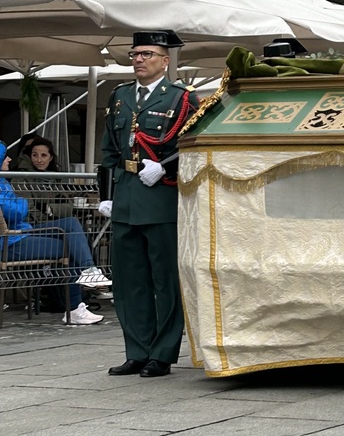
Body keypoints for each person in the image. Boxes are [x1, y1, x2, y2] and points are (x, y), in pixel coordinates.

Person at [100, 30, 198, 378]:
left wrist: (164, 167)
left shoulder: (183, 98)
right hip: (127, 196)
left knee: (164, 280)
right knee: (129, 281)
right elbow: (108, 153)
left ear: (164, 60)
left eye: (146, 54)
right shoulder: (119, 96)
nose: (138, 60)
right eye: (134, 54)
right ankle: (137, 351)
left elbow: (193, 145)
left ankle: (163, 352)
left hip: (161, 197)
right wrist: (106, 197)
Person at [0, 141, 104, 325]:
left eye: (44, 155)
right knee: (71, 245)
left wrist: (35, 207)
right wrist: (25, 205)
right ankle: (75, 305)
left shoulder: (4, 180)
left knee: (71, 225)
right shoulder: (11, 180)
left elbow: (66, 205)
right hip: (10, 239)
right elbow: (18, 210)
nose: (9, 159)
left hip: (22, 231)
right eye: (5, 155)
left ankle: (89, 272)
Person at [22, 136, 112, 291]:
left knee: (81, 230)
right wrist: (51, 214)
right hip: (32, 226)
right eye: (35, 155)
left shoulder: (54, 178)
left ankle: (86, 288)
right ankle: (89, 272)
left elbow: (68, 206)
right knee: (71, 224)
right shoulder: (24, 178)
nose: (39, 159)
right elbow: (30, 212)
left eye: (43, 155)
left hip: (51, 224)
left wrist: (50, 210)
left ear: (50, 157)